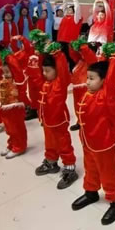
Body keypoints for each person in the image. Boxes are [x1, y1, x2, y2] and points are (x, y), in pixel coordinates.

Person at [71, 47, 115, 226]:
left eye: (92, 78)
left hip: (103, 144)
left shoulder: (105, 95)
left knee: (108, 173)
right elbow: (91, 62)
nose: (87, 82)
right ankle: (91, 192)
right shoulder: (88, 94)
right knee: (90, 169)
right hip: (88, 142)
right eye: (87, 77)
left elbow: (111, 78)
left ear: (103, 81)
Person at [36, 44, 79, 190]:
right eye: (43, 70)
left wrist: (58, 54)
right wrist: (41, 52)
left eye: (48, 71)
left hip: (59, 120)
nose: (44, 73)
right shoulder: (45, 83)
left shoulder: (60, 83)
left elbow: (63, 69)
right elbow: (38, 70)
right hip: (47, 120)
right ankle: (51, 162)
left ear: (56, 70)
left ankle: (70, 168)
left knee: (63, 144)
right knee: (49, 142)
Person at [0, 51, 28, 159]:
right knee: (9, 128)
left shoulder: (18, 80)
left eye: (7, 72)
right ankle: (12, 144)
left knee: (16, 128)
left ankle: (19, 146)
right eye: (4, 72)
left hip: (15, 108)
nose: (5, 74)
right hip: (6, 108)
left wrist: (10, 58)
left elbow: (17, 69)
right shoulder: (5, 79)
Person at [68, 38, 99, 132]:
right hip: (77, 87)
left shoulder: (92, 61)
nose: (80, 52)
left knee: (86, 106)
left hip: (85, 87)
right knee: (78, 106)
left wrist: (83, 46)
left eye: (82, 51)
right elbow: (72, 54)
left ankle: (89, 122)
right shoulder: (80, 60)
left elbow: (89, 55)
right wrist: (72, 44)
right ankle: (80, 121)